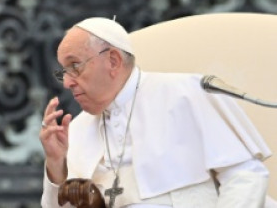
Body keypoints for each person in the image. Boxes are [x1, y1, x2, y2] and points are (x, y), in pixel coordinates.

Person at [39, 17, 272, 208]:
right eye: (63, 72)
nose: (67, 82)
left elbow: (245, 176)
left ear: (112, 60)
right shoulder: (78, 129)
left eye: (75, 66)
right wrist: (57, 166)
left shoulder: (184, 94)